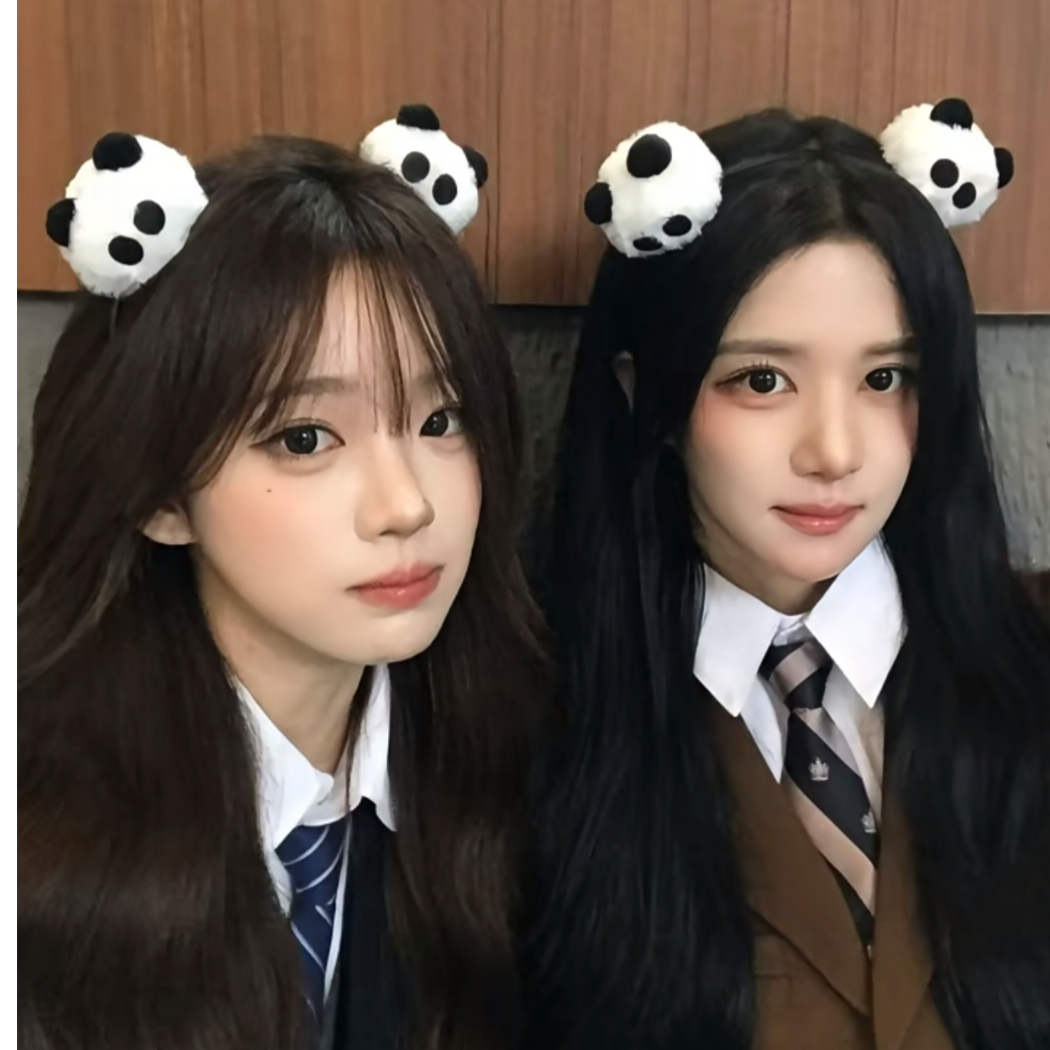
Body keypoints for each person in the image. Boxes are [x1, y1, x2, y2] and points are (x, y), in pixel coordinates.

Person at [528, 100, 1049, 1050]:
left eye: (885, 378)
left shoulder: (1029, 664)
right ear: (646, 393)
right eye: (763, 380)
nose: (835, 452)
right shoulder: (534, 712)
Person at [17, 126, 546, 1050]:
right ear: (159, 493)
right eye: (305, 438)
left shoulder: (512, 761)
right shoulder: (46, 829)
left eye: (442, 419)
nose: (406, 505)